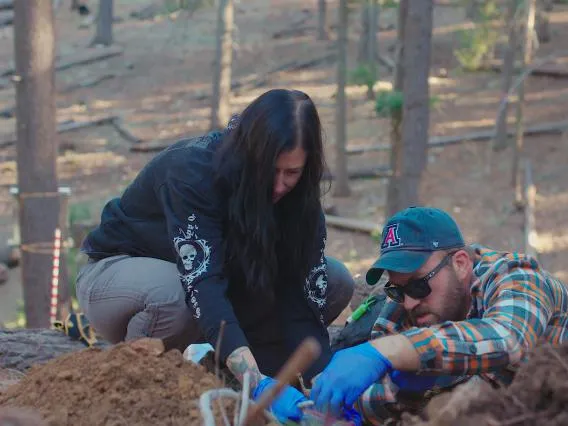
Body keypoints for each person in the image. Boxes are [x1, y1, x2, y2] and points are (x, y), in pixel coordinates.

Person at [75, 89, 355, 423]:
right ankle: (141, 387)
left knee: (334, 279)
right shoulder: (193, 171)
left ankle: (231, 378)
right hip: (120, 278)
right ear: (249, 153)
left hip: (213, 282)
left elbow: (301, 300)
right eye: (270, 171)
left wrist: (319, 385)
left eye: (291, 173)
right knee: (174, 297)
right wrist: (257, 383)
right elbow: (204, 285)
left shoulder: (299, 200)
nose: (279, 186)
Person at [311, 205, 568, 423]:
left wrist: (386, 352)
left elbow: (510, 338)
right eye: (399, 290)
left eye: (419, 285)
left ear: (460, 264)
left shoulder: (517, 278)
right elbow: (374, 398)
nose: (409, 303)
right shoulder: (402, 308)